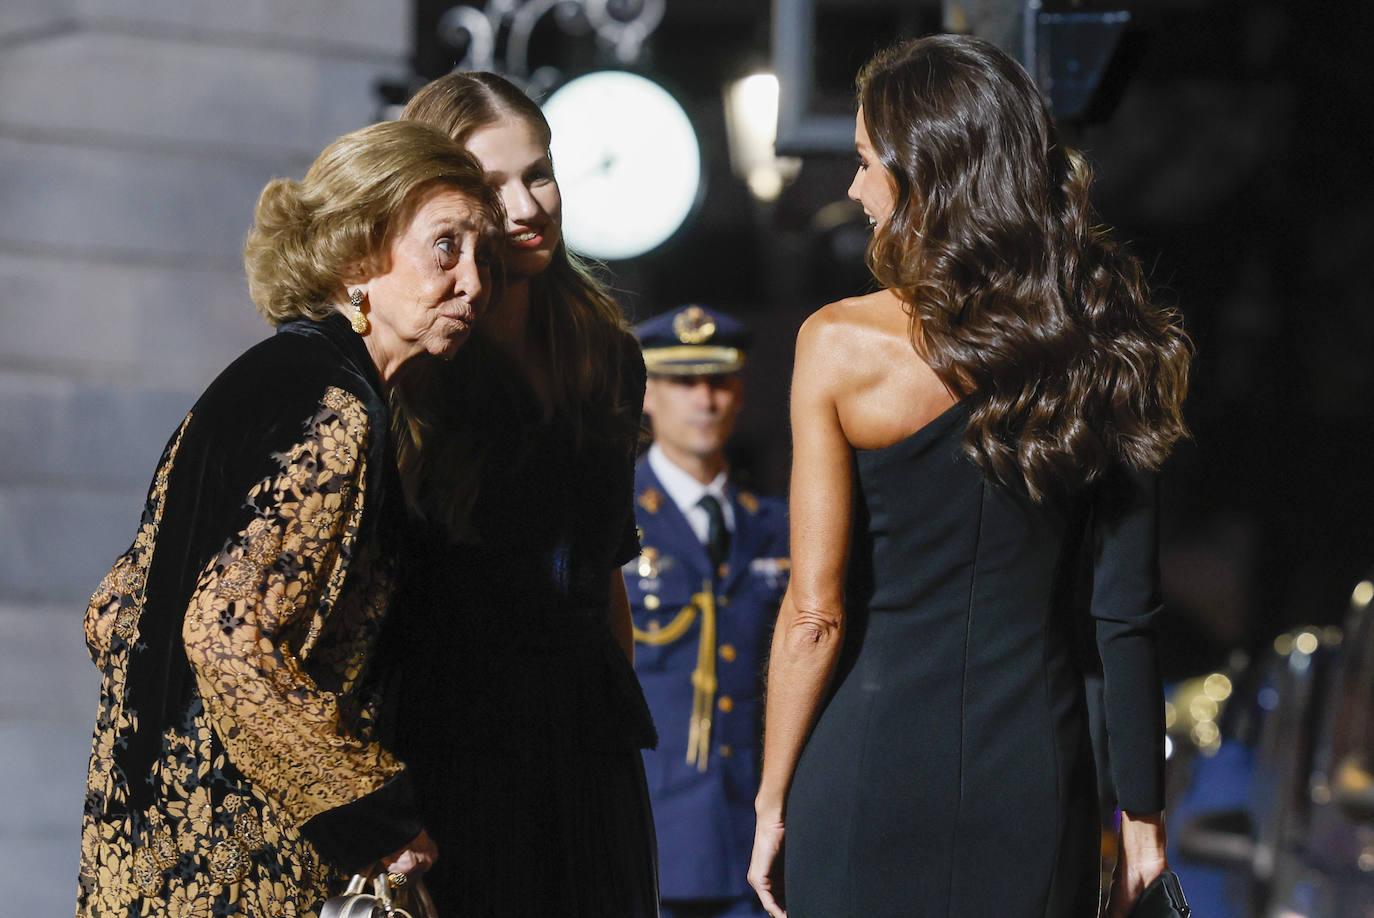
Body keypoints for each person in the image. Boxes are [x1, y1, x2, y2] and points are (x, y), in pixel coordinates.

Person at [747, 35, 1192, 918]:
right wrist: (1141, 814)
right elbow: (1125, 618)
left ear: (924, 179)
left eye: (868, 163)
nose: (853, 188)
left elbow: (814, 616)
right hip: (1034, 782)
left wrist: (770, 799)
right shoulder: (1110, 347)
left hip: (864, 773)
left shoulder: (836, 345)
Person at [76, 120, 502, 916]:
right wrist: (373, 819)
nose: (475, 281)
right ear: (356, 257)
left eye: (486, 257)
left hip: (142, 846)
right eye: (448, 246)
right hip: (242, 859)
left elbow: (113, 612)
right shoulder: (335, 408)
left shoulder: (258, 380)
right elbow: (226, 635)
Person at [386, 72, 659, 917]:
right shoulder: (417, 365)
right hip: (453, 743)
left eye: (537, 172)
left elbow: (607, 566)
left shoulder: (605, 351)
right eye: (489, 185)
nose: (525, 205)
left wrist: (609, 695)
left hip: (584, 739)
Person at [628, 305, 789, 918]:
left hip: (757, 832)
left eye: (719, 381)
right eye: (683, 381)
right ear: (646, 395)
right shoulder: (613, 523)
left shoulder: (781, 527)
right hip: (655, 831)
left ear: (740, 390)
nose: (705, 399)